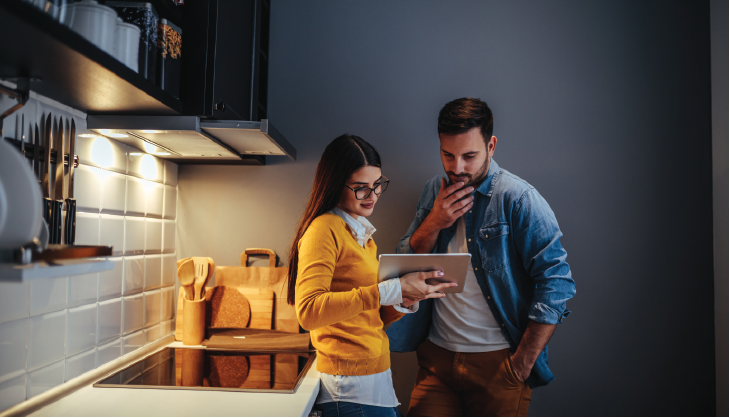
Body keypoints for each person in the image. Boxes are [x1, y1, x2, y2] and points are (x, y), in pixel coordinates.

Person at [386, 98, 576, 417]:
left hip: (499, 367)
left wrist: (521, 364)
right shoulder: (434, 190)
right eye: (448, 155)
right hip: (437, 362)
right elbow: (407, 262)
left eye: (469, 156)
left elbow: (557, 284)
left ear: (491, 146)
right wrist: (433, 221)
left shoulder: (519, 200)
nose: (457, 167)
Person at [287, 134, 456, 417]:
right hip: (349, 386)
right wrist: (387, 290)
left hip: (372, 380)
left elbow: (368, 316)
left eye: (378, 185)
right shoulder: (324, 229)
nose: (373, 196)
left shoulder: (361, 234)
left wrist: (404, 297)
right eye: (361, 188)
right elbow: (308, 311)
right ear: (334, 184)